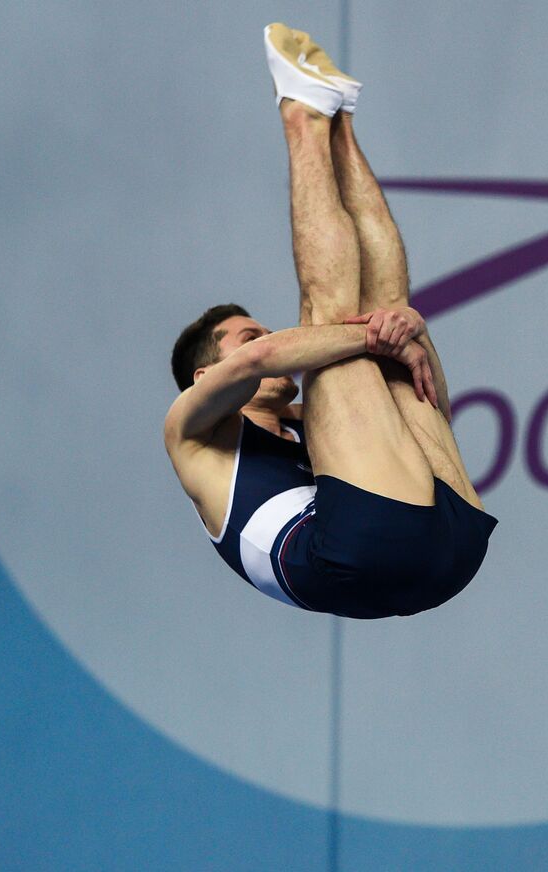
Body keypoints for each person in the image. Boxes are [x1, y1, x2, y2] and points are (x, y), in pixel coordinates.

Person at [163, 23, 497, 618]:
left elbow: (434, 411)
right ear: (203, 375)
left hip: (454, 543)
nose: (269, 340)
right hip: (360, 555)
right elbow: (263, 360)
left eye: (263, 331)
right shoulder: (191, 434)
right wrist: (378, 335)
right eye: (247, 334)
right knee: (340, 324)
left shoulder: (307, 422)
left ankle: (339, 118)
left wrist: (410, 333)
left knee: (384, 324)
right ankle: (302, 116)